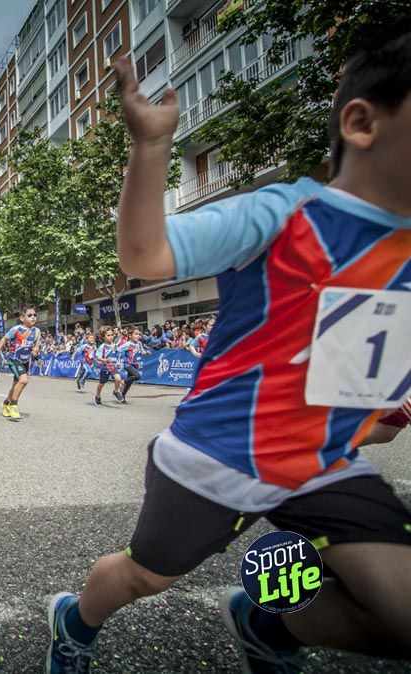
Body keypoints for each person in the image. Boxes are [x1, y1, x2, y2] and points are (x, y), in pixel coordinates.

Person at [45, 42, 411, 674]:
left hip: (322, 465)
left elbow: (354, 380)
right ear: (361, 123)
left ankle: (265, 617)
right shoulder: (287, 212)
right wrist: (152, 148)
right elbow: (143, 257)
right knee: (144, 577)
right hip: (214, 456)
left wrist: (376, 416)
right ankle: (74, 623)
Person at [0, 307, 41, 421]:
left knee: (16, 384)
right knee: (24, 380)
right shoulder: (16, 329)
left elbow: (37, 344)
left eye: (34, 315)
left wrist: (36, 349)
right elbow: (4, 338)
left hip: (25, 360)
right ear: (22, 318)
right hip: (14, 359)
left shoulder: (37, 331)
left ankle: (6, 403)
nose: (33, 317)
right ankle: (13, 405)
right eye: (29, 315)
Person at [116, 327, 150, 402]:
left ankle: (122, 396)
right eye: (135, 334)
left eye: (138, 334)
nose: (138, 336)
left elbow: (142, 351)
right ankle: (123, 382)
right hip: (127, 364)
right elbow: (117, 350)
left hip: (134, 364)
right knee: (137, 376)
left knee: (130, 381)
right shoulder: (127, 344)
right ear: (130, 335)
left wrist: (146, 352)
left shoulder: (139, 343)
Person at [92, 326, 123, 407]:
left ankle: (116, 391)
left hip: (113, 366)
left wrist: (118, 363)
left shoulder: (116, 345)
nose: (111, 337)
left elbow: (117, 355)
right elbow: (98, 357)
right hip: (105, 367)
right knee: (102, 383)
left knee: (118, 379)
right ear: (103, 337)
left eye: (112, 335)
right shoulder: (103, 346)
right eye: (108, 335)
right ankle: (97, 396)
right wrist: (105, 360)